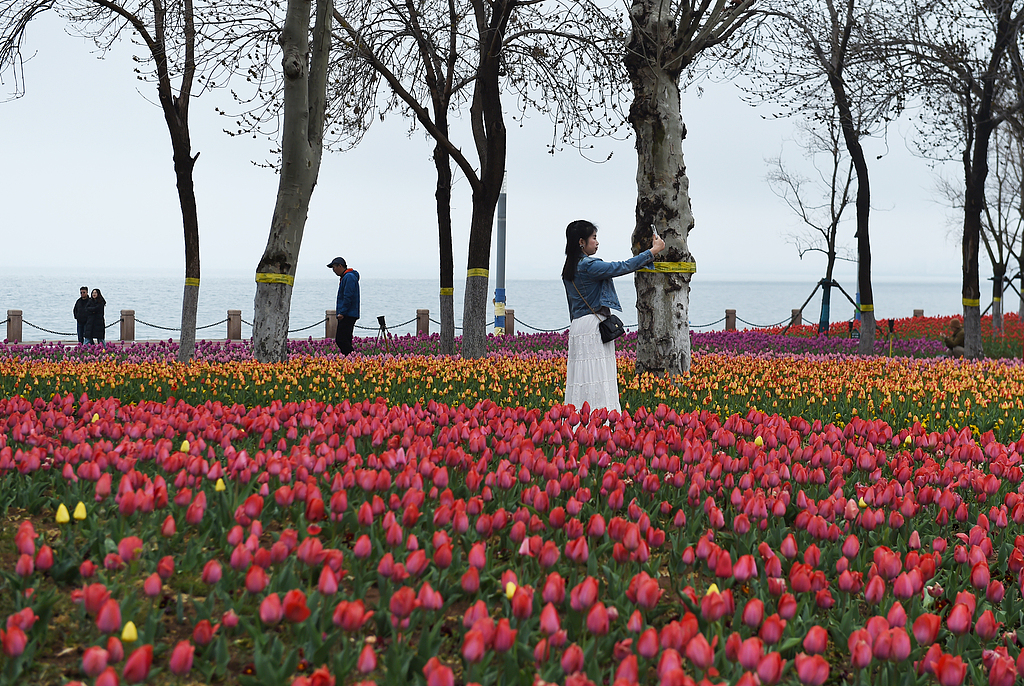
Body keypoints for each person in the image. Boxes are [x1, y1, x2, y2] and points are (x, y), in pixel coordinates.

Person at [562, 220, 665, 411]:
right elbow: (621, 267)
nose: (597, 242)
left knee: (582, 377)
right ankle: (600, 421)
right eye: (594, 238)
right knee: (598, 376)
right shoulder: (589, 266)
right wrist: (652, 251)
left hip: (578, 327)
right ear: (581, 242)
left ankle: (579, 421)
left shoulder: (569, 267)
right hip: (594, 326)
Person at [328, 257, 360, 354]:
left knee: (340, 339)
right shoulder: (346, 277)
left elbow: (348, 296)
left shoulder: (348, 277)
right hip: (349, 313)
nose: (333, 270)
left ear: (340, 266)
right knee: (346, 339)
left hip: (348, 314)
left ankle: (353, 357)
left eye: (334, 267)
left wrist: (342, 312)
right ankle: (348, 361)